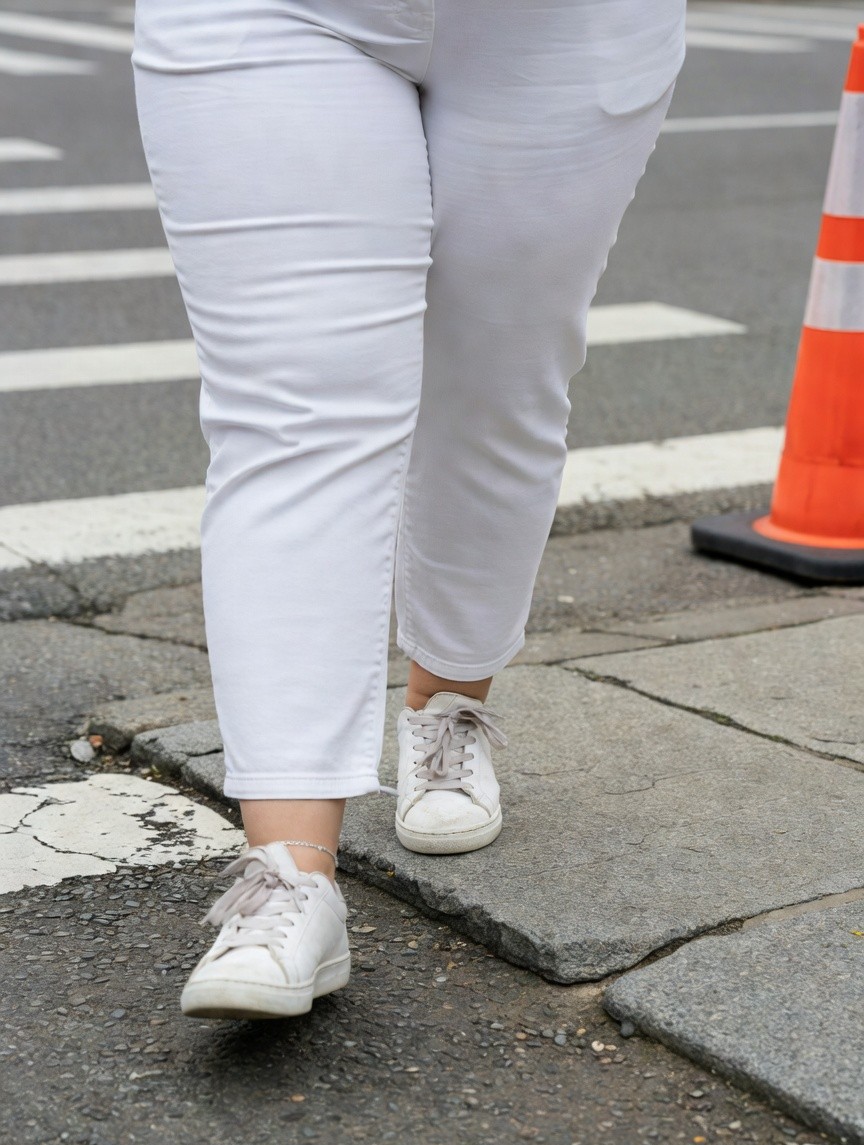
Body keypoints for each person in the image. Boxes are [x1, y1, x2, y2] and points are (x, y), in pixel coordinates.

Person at [130, 0, 685, 1019]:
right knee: (296, 406)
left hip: (559, 28)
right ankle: (291, 879)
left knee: (496, 383)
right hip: (278, 14)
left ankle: (445, 712)